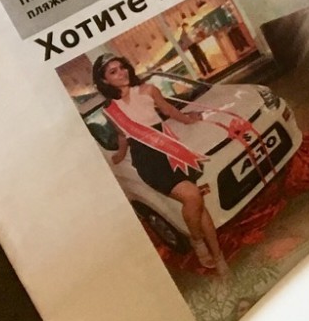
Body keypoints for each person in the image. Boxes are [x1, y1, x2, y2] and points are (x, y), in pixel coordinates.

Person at [92, 53, 224, 273]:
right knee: (193, 196)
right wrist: (120, 155)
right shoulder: (110, 111)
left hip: (170, 152)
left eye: (122, 67)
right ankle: (197, 240)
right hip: (148, 161)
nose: (122, 73)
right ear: (105, 80)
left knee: (197, 202)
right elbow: (123, 135)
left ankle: (217, 256)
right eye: (113, 72)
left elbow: (169, 110)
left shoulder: (148, 90)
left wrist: (190, 119)